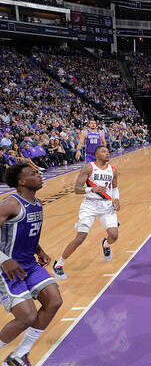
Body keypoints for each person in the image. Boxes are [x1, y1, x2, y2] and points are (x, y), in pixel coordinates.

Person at [0, 163, 62, 365]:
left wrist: (39, 250)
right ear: (22, 181)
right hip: (6, 269)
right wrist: (4, 260)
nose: (39, 175)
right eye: (34, 173)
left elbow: (29, 234)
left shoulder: (36, 203)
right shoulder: (10, 204)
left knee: (54, 300)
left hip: (28, 264)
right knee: (27, 316)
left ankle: (19, 354)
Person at [52, 146, 120, 280]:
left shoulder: (113, 169)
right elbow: (77, 189)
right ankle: (59, 264)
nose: (107, 153)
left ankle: (105, 244)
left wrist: (116, 198)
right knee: (80, 237)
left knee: (114, 235)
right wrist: (91, 190)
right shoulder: (89, 167)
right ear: (96, 155)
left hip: (106, 206)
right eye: (103, 151)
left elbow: (115, 187)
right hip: (89, 205)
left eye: (107, 151)